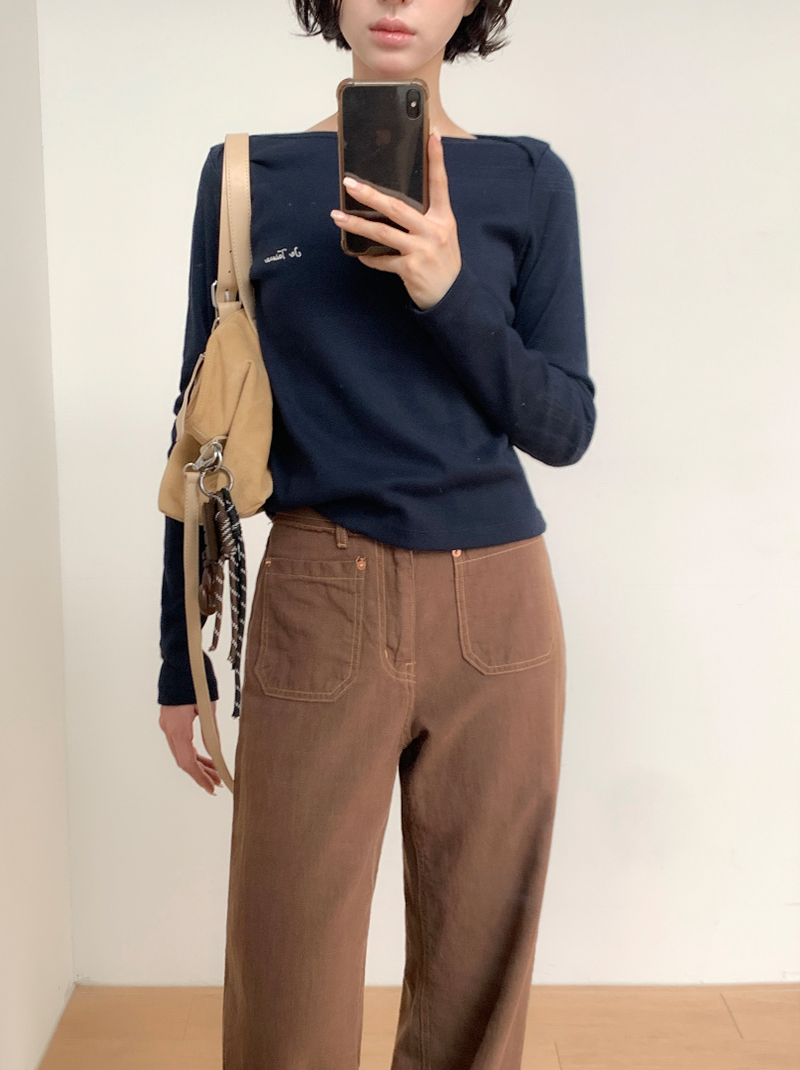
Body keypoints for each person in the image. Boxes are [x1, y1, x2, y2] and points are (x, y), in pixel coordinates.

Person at [158, 1, 596, 1066]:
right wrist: (182, 662)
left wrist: (448, 292)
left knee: (477, 974)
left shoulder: (528, 178)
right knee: (286, 973)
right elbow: (197, 435)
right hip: (319, 593)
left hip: (498, 609)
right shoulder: (247, 176)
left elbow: (565, 427)